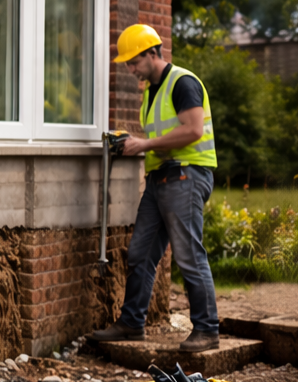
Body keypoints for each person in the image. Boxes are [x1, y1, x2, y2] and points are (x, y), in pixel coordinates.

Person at [88, 24, 219, 353]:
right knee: (140, 253)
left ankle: (206, 330)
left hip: (187, 176)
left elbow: (192, 131)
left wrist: (144, 143)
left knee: (189, 256)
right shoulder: (151, 91)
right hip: (161, 178)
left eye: (134, 62)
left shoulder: (183, 83)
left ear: (151, 53)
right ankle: (132, 323)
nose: (131, 70)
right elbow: (162, 137)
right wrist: (133, 143)